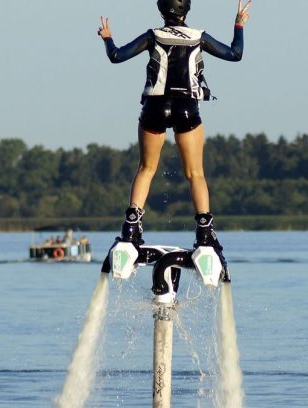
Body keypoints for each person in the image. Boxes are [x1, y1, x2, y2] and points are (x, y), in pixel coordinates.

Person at [98, 0, 252, 252]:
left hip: (155, 107)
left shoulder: (153, 35)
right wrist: (239, 25)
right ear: (186, 10)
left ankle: (131, 228)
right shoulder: (198, 36)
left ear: (161, 10)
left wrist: (107, 37)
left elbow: (116, 56)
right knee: (195, 173)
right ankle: (205, 232)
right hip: (186, 108)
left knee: (146, 169)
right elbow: (235, 54)